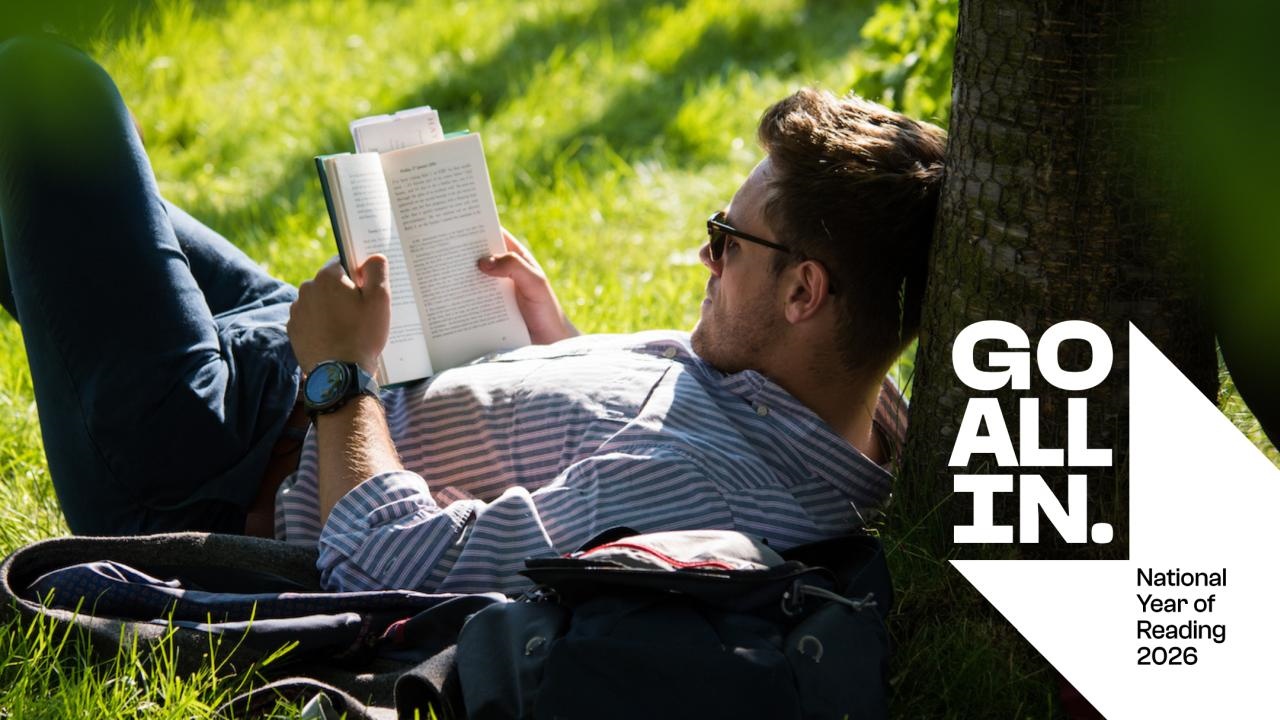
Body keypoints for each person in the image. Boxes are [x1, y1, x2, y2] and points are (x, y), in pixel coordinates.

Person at [0, 36, 945, 594]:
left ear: (804, 292)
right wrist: (557, 344)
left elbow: (383, 566)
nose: (706, 254)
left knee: (48, 94)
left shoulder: (726, 494)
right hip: (288, 360)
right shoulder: (846, 410)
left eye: (727, 238)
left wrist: (345, 377)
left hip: (207, 454)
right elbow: (631, 440)